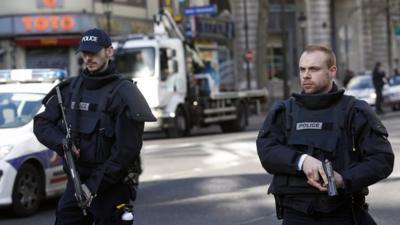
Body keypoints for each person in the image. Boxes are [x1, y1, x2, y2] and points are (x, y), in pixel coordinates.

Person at [256, 45, 394, 225]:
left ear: (332, 71)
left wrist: (343, 180)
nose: (306, 75)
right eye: (302, 69)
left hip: (343, 212)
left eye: (313, 69)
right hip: (296, 214)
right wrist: (302, 161)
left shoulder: (354, 111)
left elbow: (382, 159)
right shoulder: (284, 111)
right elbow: (267, 150)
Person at [33, 28, 156, 225]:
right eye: (84, 53)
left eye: (94, 53)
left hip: (111, 188)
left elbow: (126, 151)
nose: (88, 58)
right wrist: (62, 143)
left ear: (109, 51)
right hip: (77, 183)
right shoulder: (70, 89)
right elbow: (41, 123)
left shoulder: (125, 92)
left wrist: (92, 187)